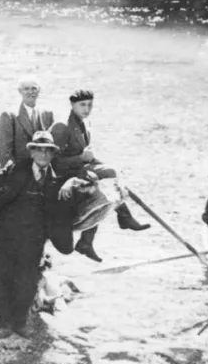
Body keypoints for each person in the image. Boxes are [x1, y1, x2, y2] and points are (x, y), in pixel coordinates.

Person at [0, 131, 91, 335]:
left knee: (29, 280)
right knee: (4, 278)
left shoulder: (57, 176)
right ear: (31, 152)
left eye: (47, 151)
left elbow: (86, 180)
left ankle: (20, 322)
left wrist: (71, 183)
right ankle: (4, 324)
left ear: (52, 154)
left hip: (34, 238)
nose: (43, 155)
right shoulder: (15, 168)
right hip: (5, 234)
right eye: (38, 150)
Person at [50, 89, 150, 262]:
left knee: (111, 175)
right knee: (105, 179)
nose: (86, 109)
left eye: (89, 105)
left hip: (80, 170)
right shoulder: (62, 126)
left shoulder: (84, 124)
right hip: (63, 176)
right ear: (72, 105)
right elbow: (53, 162)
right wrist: (82, 158)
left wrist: (97, 162)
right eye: (82, 105)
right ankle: (123, 218)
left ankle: (89, 241)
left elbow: (88, 157)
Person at [0, 76, 54, 168]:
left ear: (39, 90)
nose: (30, 92)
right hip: (18, 169)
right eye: (26, 89)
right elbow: (4, 151)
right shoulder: (10, 116)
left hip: (42, 168)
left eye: (34, 89)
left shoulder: (47, 115)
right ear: (20, 91)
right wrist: (13, 172)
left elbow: (51, 147)